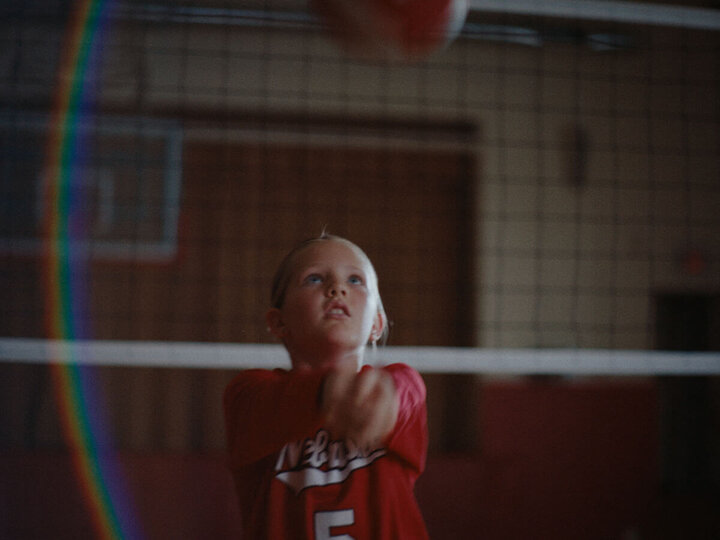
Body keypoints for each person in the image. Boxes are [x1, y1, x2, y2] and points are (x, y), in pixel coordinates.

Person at [223, 234, 429, 539]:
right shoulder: (249, 393)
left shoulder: (399, 382)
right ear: (278, 322)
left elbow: (405, 393)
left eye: (355, 280)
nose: (337, 288)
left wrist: (383, 396)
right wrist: (328, 391)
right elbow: (268, 405)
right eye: (314, 278)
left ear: (376, 324)